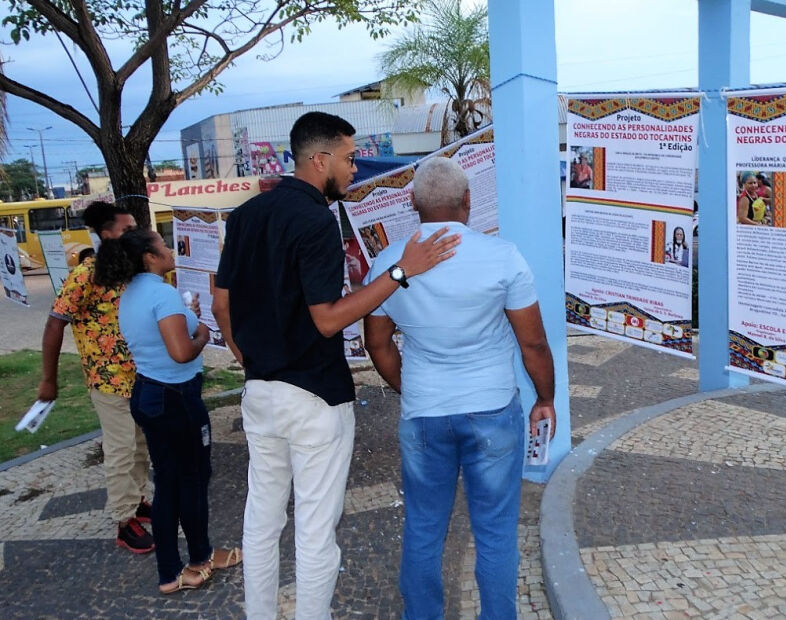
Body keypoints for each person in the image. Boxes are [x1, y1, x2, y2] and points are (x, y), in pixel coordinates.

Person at [212, 111, 460, 619]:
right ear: (319, 159)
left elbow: (222, 305)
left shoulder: (246, 215)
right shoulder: (316, 220)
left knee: (260, 523)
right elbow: (327, 321)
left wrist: (253, 361)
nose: (354, 169)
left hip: (260, 393)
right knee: (315, 531)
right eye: (348, 159)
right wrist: (400, 271)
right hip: (314, 398)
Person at [363, 157, 556, 620]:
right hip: (491, 408)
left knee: (424, 528)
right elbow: (533, 343)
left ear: (412, 204)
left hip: (424, 411)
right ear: (468, 201)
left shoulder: (389, 264)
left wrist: (410, 387)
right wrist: (545, 399)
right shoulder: (502, 256)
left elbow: (377, 343)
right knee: (494, 532)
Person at [94, 228, 241, 595]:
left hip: (149, 394)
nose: (170, 249)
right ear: (149, 256)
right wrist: (203, 335)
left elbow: (162, 338)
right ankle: (192, 563)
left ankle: (176, 568)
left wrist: (186, 317)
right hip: (175, 398)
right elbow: (180, 352)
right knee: (190, 480)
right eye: (162, 244)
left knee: (169, 484)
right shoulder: (161, 293)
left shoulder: (130, 295)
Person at [37, 201, 154, 554]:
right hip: (108, 382)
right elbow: (55, 323)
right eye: (127, 228)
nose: (134, 233)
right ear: (107, 234)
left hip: (142, 377)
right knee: (120, 450)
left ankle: (136, 501)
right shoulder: (86, 274)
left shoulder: (130, 271)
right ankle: (123, 520)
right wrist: (49, 379)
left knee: (140, 447)